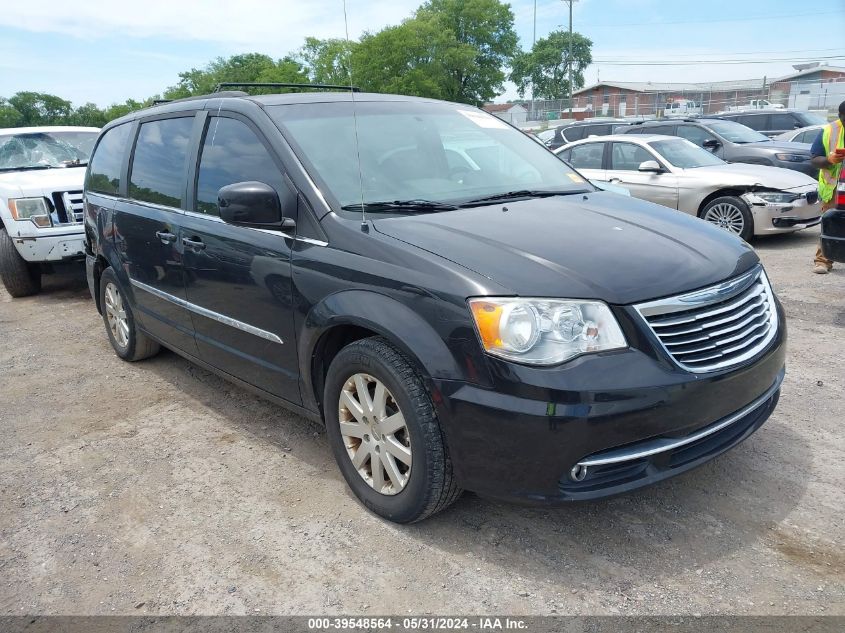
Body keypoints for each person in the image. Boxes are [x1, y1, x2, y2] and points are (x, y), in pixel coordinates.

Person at [810, 100, 845, 274]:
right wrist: (829, 160)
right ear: (840, 116)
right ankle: (823, 260)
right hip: (834, 189)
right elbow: (815, 159)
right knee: (830, 224)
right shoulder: (829, 130)